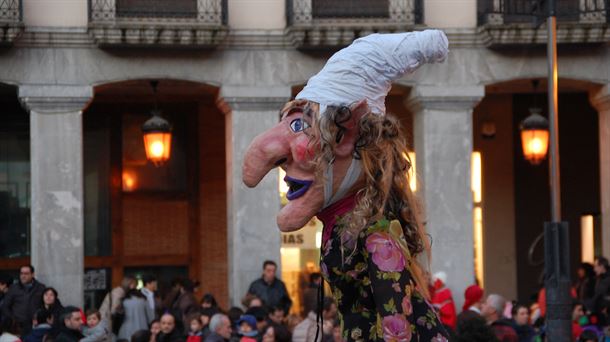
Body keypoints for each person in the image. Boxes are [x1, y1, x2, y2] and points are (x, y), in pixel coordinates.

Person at [242, 30, 450, 341]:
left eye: (304, 126)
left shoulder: (378, 236)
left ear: (351, 135)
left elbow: (397, 329)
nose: (280, 159)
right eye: (295, 124)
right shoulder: (340, 229)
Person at [1, 266, 46, 335]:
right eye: (21, 273)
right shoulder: (14, 288)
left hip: (34, 325)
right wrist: (13, 320)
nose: (23, 276)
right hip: (17, 326)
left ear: (32, 274)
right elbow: (5, 306)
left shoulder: (40, 288)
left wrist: (39, 319)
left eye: (26, 274)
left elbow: (45, 305)